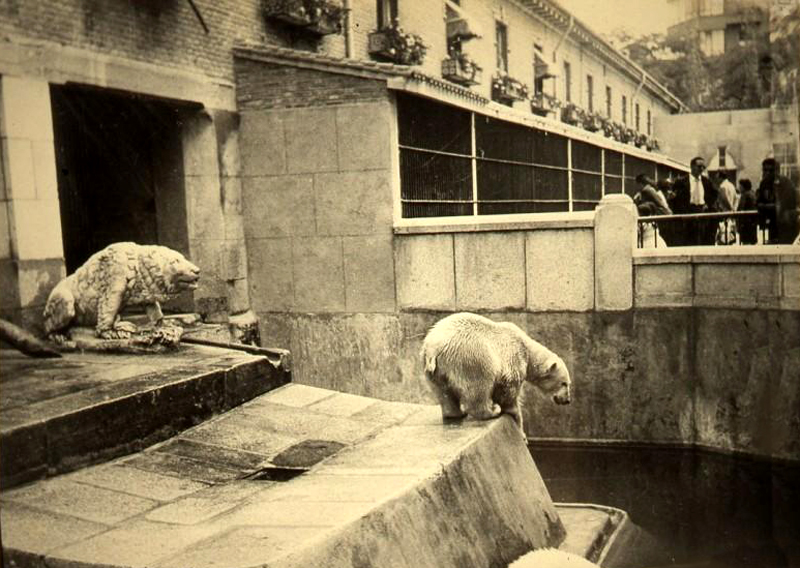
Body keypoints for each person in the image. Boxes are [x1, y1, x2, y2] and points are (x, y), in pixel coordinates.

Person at [671, 156, 719, 246]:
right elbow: (675, 199)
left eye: (703, 167)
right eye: (699, 166)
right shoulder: (682, 181)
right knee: (690, 241)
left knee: (703, 240)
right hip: (688, 214)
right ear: (692, 166)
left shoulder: (706, 181)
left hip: (702, 213)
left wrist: (708, 204)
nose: (701, 169)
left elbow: (715, 193)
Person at [756, 158, 800, 244]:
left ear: (777, 171)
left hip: (787, 224)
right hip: (773, 224)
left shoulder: (786, 183)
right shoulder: (764, 184)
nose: (767, 173)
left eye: (771, 170)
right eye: (765, 170)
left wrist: (766, 206)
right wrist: (769, 206)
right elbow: (758, 203)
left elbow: (781, 206)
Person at [715, 171, 738, 245]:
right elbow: (735, 198)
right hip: (731, 212)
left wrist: (730, 208)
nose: (716, 180)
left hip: (725, 212)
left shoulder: (722, 186)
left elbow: (724, 198)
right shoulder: (732, 185)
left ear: (720, 177)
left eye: (717, 178)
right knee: (730, 230)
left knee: (724, 231)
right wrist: (733, 208)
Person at [736, 178, 758, 245]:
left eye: (740, 186)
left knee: (746, 242)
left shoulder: (745, 195)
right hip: (753, 221)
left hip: (746, 222)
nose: (739, 188)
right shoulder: (753, 193)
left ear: (743, 186)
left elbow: (740, 208)